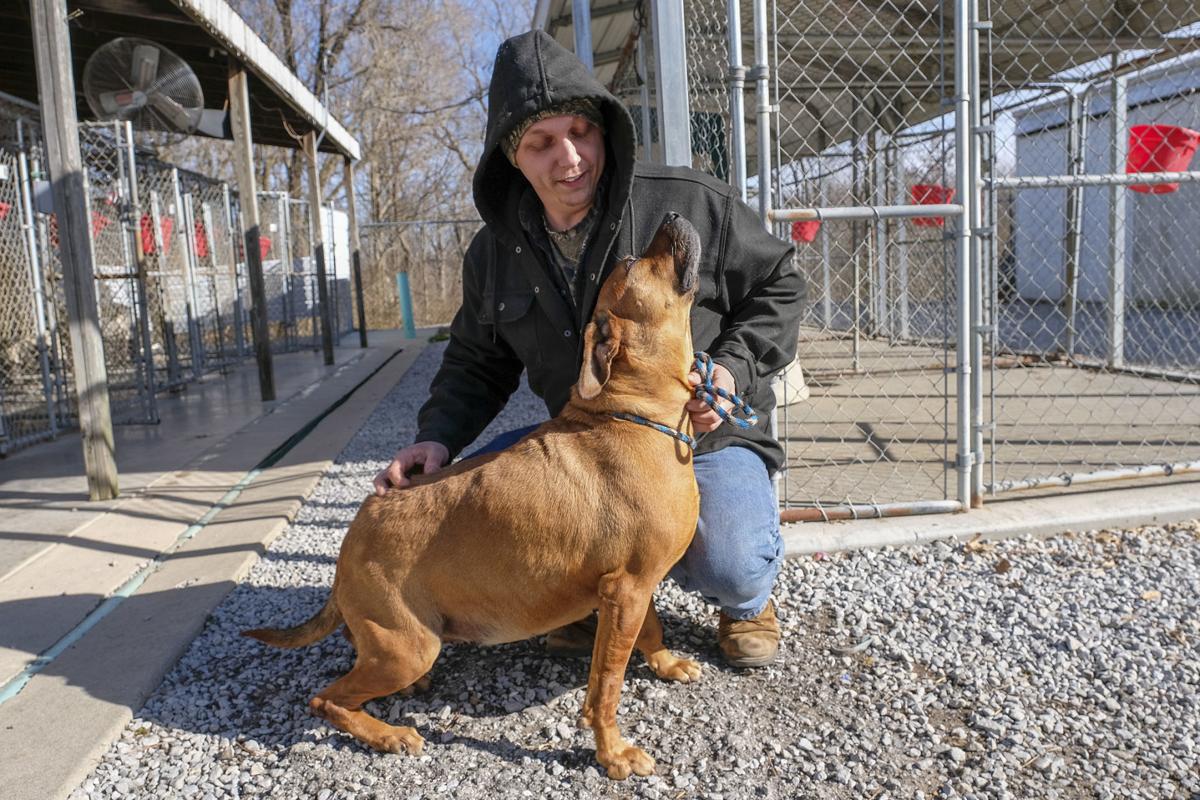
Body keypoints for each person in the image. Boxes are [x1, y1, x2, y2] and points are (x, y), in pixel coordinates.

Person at [373, 30, 803, 667]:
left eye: (582, 132)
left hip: (699, 433)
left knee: (730, 565)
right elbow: (475, 360)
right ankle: (598, 597)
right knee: (478, 511)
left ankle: (748, 601)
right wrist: (437, 437)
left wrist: (732, 370)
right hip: (587, 448)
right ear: (512, 157)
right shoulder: (495, 252)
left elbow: (781, 281)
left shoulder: (683, 202)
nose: (570, 158)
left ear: (605, 131)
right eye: (542, 143)